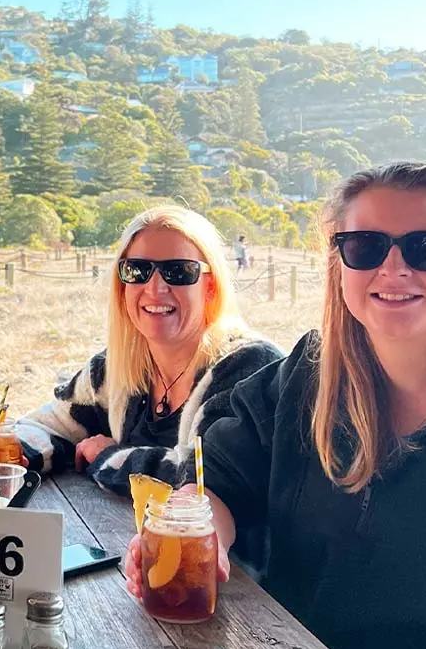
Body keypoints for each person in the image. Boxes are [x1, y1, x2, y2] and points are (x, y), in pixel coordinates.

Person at [124, 162, 426, 649]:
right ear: (340, 263)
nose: (393, 269)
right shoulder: (309, 375)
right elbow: (221, 476)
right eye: (364, 246)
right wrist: (194, 525)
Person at [16, 206, 282, 496]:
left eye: (179, 271)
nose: (155, 288)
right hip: (121, 538)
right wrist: (13, 456)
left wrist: (108, 456)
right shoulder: (116, 367)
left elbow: (204, 478)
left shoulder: (250, 367)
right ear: (122, 286)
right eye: (137, 270)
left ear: (211, 286)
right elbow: (50, 425)